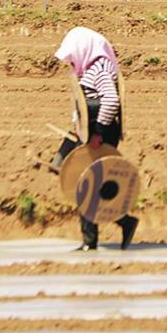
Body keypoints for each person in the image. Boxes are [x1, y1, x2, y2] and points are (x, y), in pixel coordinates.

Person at [51, 26, 138, 251]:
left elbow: (110, 100)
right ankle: (121, 222)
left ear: (84, 49)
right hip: (90, 133)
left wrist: (98, 132)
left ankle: (93, 240)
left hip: (101, 134)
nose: (71, 63)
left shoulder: (100, 68)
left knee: (86, 184)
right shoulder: (89, 67)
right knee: (87, 183)